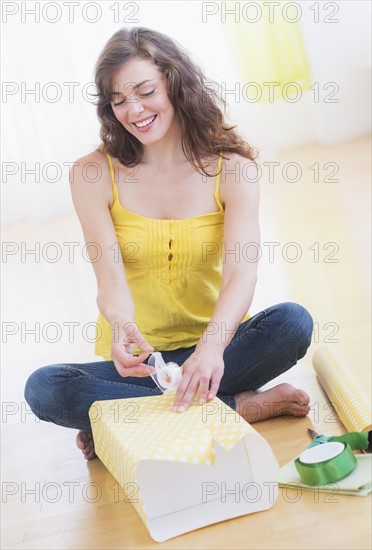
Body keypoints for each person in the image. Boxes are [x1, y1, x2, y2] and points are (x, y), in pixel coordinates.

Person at [24, 27, 313, 461]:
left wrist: (211, 349)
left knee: (294, 322)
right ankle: (246, 406)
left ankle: (127, 423)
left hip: (219, 350)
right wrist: (122, 327)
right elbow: (109, 279)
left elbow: (241, 273)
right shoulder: (92, 173)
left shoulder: (232, 169)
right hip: (143, 366)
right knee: (44, 387)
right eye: (119, 100)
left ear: (174, 84)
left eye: (144, 91)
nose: (133, 110)